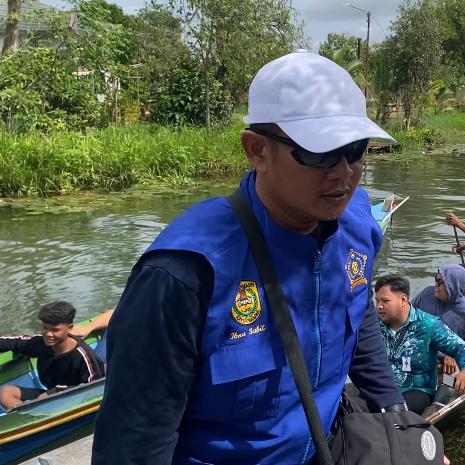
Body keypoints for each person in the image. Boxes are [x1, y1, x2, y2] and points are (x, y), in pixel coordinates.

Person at [91, 51, 410, 465]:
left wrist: (395, 413)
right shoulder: (186, 274)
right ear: (256, 149)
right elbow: (134, 444)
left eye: (355, 149)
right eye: (319, 153)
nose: (344, 172)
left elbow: (356, 309)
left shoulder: (358, 226)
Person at [0, 301, 105, 409]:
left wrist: (53, 393)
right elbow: (16, 342)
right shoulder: (41, 343)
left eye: (55, 330)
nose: (48, 334)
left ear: (70, 329)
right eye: (45, 328)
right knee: (4, 392)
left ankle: (35, 413)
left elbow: (93, 389)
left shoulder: (84, 356)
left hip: (74, 399)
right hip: (47, 394)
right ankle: (31, 417)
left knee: (45, 399)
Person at [374, 274, 465, 415]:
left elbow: (460, 346)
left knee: (394, 411)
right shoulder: (373, 323)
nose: (379, 306)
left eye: (385, 301)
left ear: (403, 300)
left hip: (416, 391)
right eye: (377, 300)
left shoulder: (428, 324)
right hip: (381, 387)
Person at [411, 264, 465, 374]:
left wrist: (455, 353)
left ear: (453, 285)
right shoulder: (427, 293)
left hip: (444, 360)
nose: (436, 284)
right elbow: (407, 313)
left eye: (440, 282)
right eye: (436, 279)